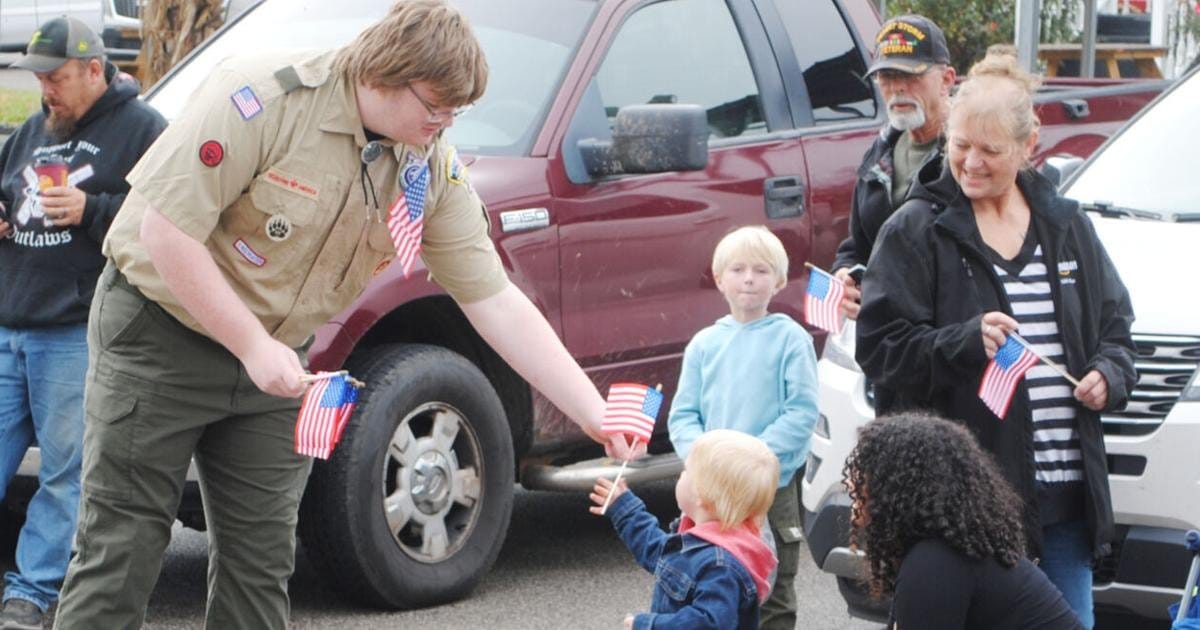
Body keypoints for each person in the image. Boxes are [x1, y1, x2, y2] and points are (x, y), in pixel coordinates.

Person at [51, 1, 640, 628]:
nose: (443, 126)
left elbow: (491, 298)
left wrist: (593, 412)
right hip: (162, 330)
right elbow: (167, 233)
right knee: (122, 554)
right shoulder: (262, 98)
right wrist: (251, 345)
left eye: (456, 113)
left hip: (277, 362)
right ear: (385, 76)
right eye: (435, 107)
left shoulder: (426, 165)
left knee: (261, 563)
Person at [855, 52, 1137, 629]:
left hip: (1064, 498)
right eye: (960, 145)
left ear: (1029, 141)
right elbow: (880, 350)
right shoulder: (915, 228)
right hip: (966, 508)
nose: (971, 163)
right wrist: (962, 342)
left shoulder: (1067, 225)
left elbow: (1116, 331)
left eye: (990, 150)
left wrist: (1110, 375)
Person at [0, 16, 166, 630]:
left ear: (95, 70)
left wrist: (91, 210)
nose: (47, 89)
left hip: (73, 328)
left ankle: (32, 595)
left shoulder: (143, 129)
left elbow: (169, 211)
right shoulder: (31, 130)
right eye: (40, 77)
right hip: (9, 321)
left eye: (58, 77)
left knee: (65, 473)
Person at [667, 225, 818, 629]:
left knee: (772, 587)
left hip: (771, 487)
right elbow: (683, 416)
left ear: (780, 281)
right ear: (719, 279)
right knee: (710, 579)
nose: (749, 278)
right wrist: (708, 463)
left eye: (761, 270)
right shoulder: (704, 344)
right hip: (712, 492)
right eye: (737, 269)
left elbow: (801, 413)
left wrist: (753, 461)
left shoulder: (791, 339)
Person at [844, 413, 1083, 629]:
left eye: (865, 477)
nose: (853, 487)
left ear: (896, 490)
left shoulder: (933, 564)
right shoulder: (946, 554)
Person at [831, 15, 956, 320]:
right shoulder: (879, 153)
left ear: (947, 80)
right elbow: (858, 246)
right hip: (888, 337)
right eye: (886, 76)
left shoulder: (970, 156)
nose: (898, 88)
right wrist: (844, 276)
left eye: (911, 75)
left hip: (950, 334)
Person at [590, 429, 779, 630]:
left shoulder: (721, 566)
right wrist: (625, 509)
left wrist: (650, 625)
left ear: (702, 495)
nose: (681, 474)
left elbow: (707, 624)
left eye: (686, 471)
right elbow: (657, 550)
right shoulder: (702, 538)